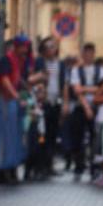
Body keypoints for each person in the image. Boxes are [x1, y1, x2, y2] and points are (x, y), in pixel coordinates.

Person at [0, 35, 33, 184]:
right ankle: (1, 169)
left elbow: (18, 80)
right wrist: (16, 97)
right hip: (6, 102)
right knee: (4, 137)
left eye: (27, 47)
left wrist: (26, 89)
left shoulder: (19, 62)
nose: (26, 50)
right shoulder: (6, 60)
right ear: (17, 46)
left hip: (13, 103)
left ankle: (10, 168)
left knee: (14, 137)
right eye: (23, 46)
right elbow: (5, 81)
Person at [67, 43, 103, 179]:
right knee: (78, 138)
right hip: (81, 106)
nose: (88, 55)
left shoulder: (100, 70)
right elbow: (77, 90)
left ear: (94, 54)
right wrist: (87, 106)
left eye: (91, 52)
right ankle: (79, 166)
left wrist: (85, 89)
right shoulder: (75, 70)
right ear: (82, 54)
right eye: (86, 52)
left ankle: (94, 166)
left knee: (95, 138)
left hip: (97, 106)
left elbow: (102, 88)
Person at [30, 37, 67, 179]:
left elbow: (63, 83)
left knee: (52, 134)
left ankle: (48, 164)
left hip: (54, 102)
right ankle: (38, 165)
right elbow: (41, 78)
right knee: (41, 135)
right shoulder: (39, 62)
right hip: (42, 104)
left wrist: (65, 103)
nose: (51, 49)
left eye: (53, 46)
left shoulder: (59, 64)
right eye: (48, 47)